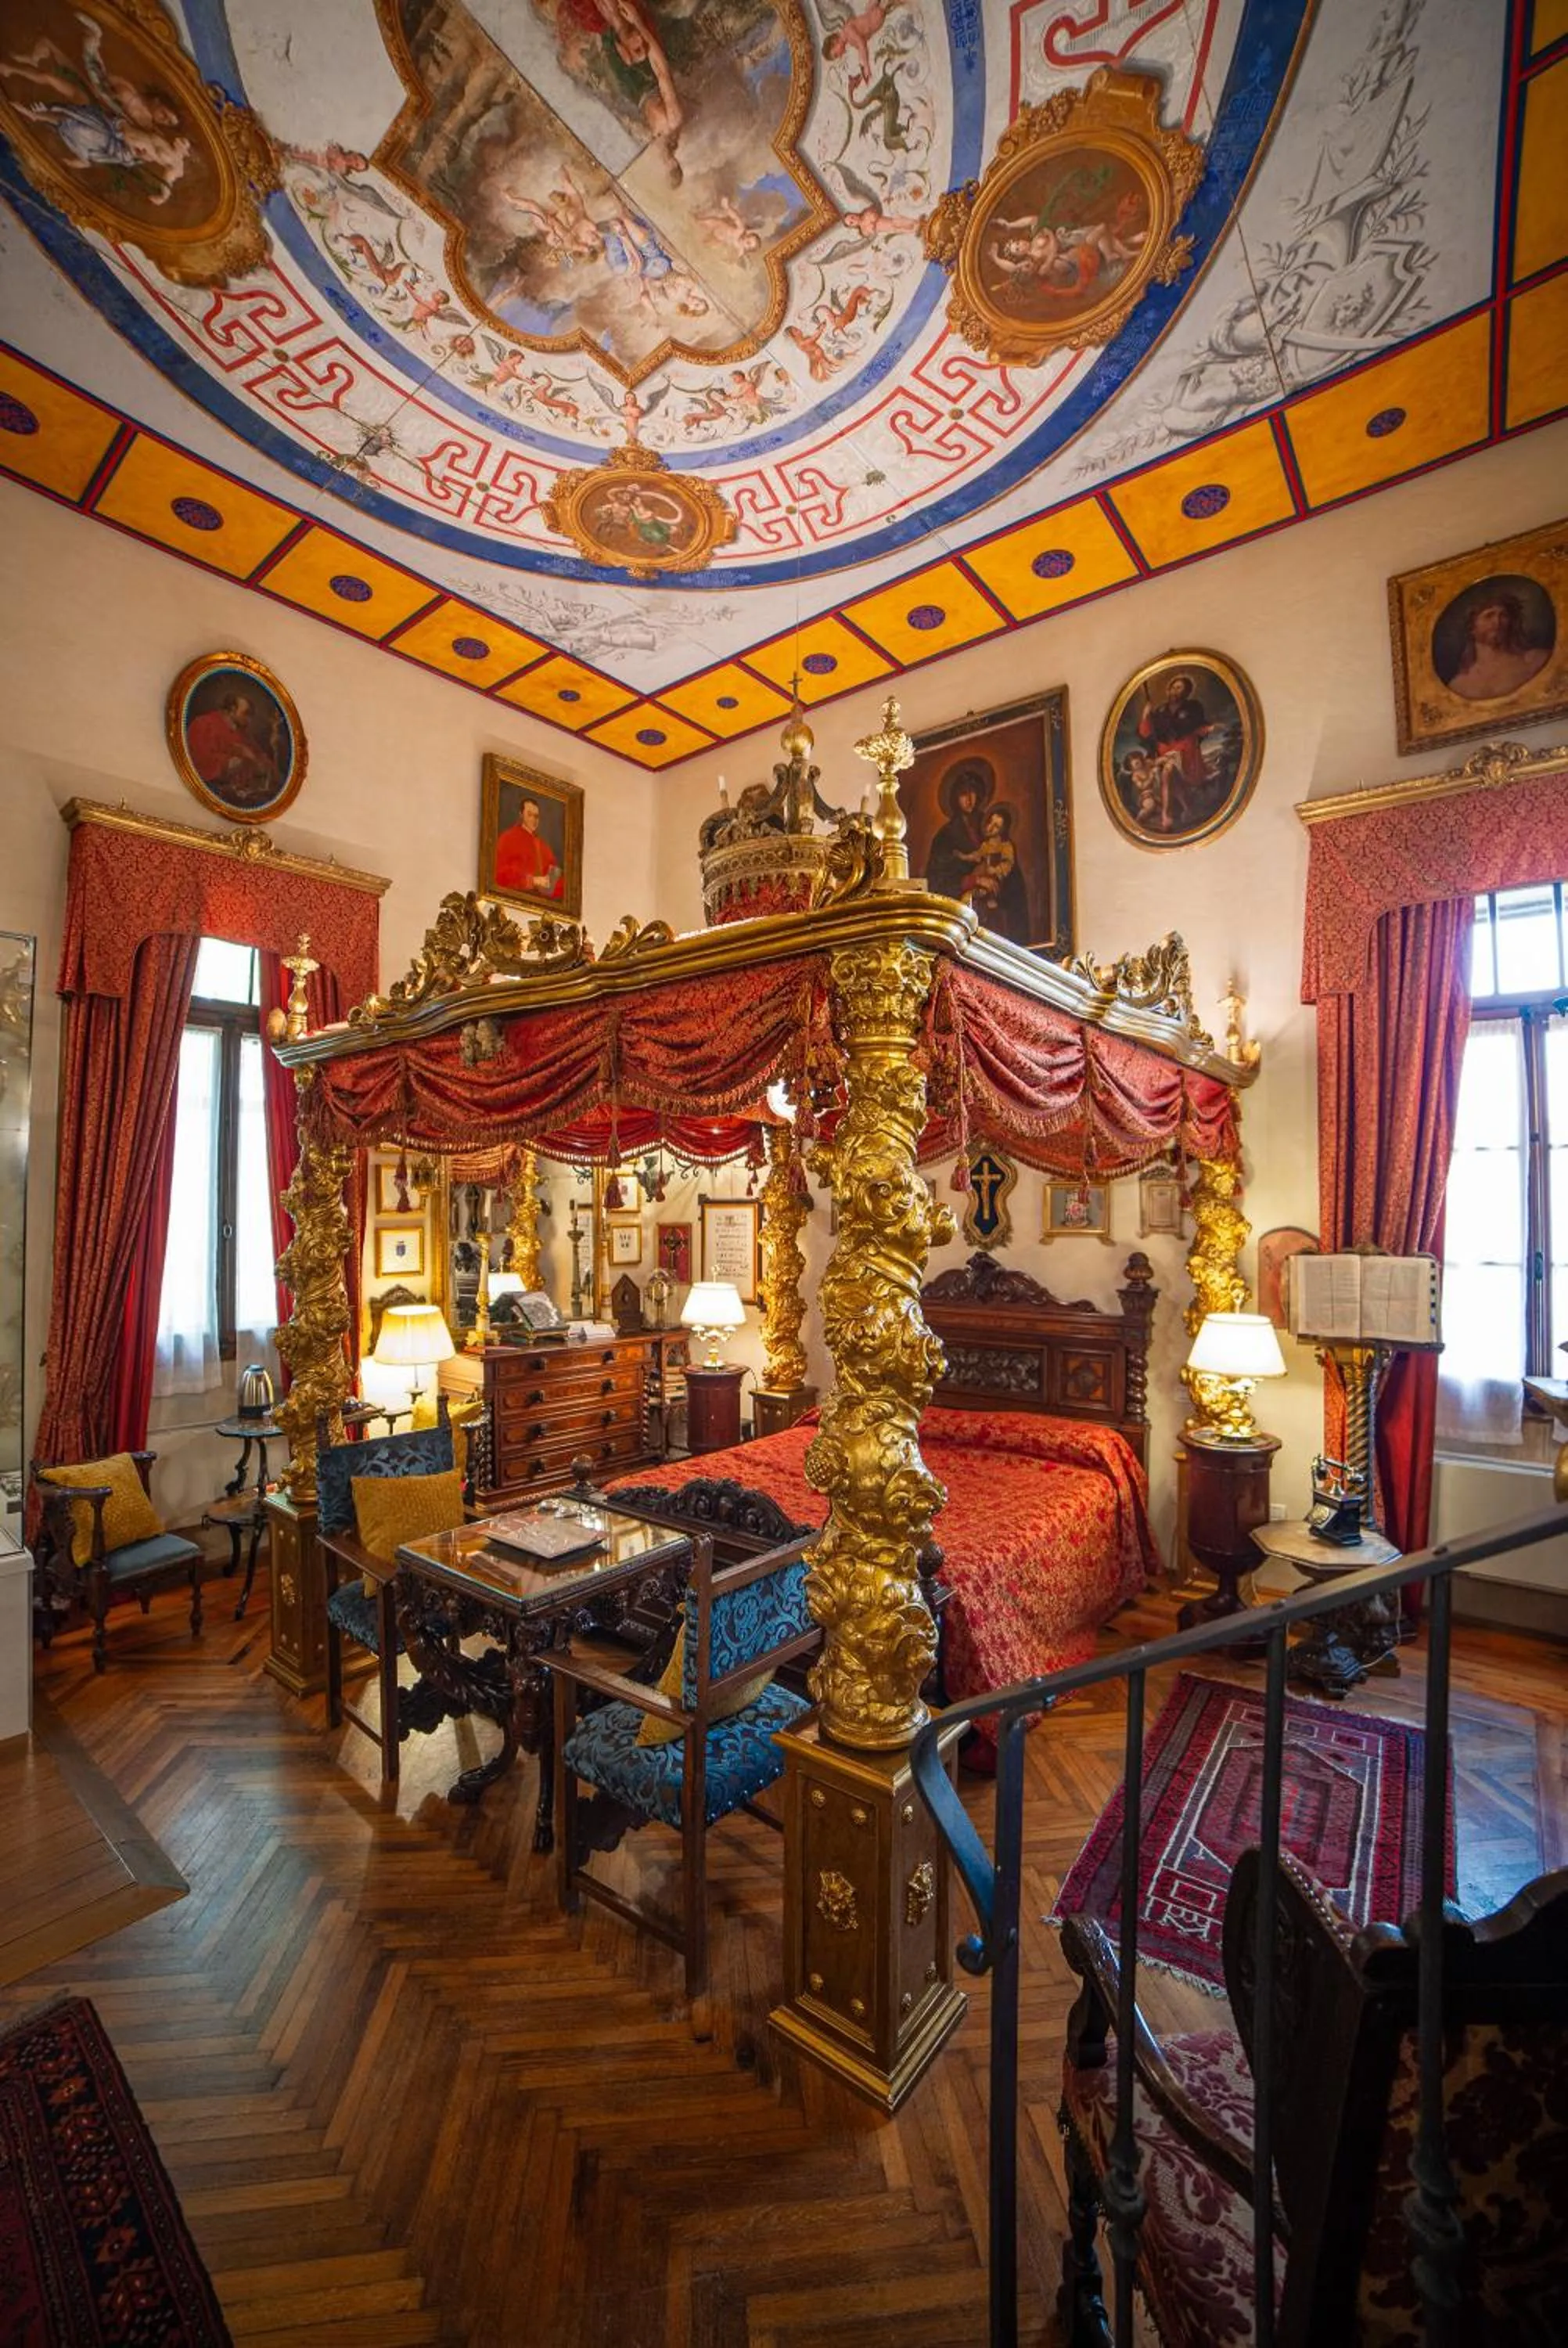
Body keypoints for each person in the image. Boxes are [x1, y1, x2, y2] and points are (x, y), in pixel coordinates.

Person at [1444, 586, 1552, 701]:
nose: (1497, 622)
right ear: (1472, 627)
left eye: (1503, 615)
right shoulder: (1459, 685)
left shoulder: (1535, 660)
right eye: (1489, 616)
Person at [185, 689, 278, 806]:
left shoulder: (244, 735)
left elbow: (262, 761)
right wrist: (229, 762)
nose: (249, 720)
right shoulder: (203, 724)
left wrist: (253, 759)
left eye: (251, 715)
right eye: (246, 713)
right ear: (232, 710)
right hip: (208, 794)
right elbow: (197, 759)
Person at [924, 759, 991, 899]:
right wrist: (973, 880)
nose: (970, 799)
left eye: (973, 792)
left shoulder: (990, 822)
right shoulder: (945, 836)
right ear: (955, 798)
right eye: (964, 794)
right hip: (961, 904)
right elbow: (936, 881)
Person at [494, 795, 563, 899]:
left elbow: (555, 881)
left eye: (536, 816)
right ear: (521, 815)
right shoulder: (507, 838)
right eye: (530, 815)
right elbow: (499, 874)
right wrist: (533, 881)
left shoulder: (544, 847)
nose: (534, 820)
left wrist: (552, 883)